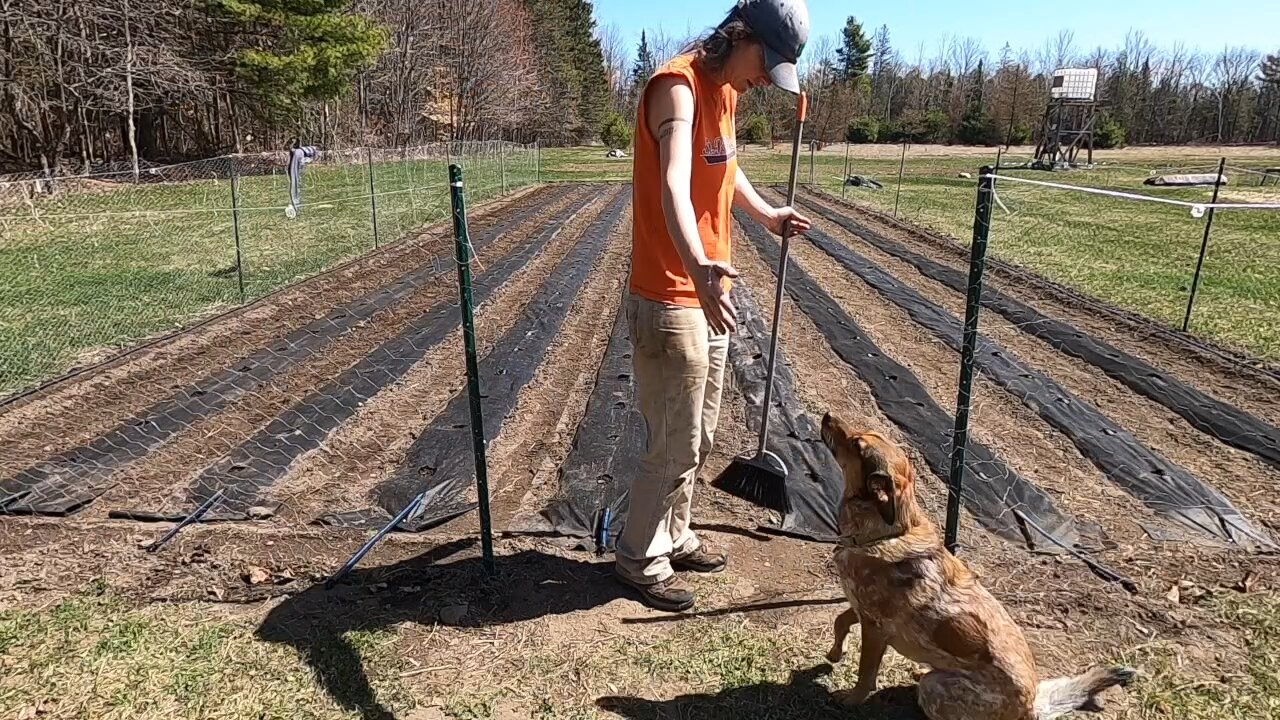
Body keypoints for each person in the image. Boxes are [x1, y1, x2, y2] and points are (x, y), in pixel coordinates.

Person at [616, 0, 812, 612]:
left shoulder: (726, 92)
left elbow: (727, 170)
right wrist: (698, 266)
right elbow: (675, 182)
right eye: (765, 62)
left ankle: (676, 535)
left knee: (696, 435)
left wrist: (766, 213)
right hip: (672, 292)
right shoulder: (678, 88)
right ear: (740, 35)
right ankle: (638, 558)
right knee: (673, 439)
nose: (764, 79)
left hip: (708, 291)